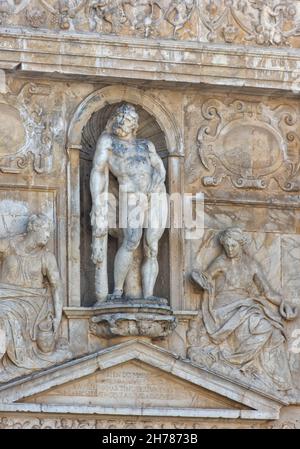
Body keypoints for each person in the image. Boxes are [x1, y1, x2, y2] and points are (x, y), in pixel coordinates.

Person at [191, 227, 297, 390]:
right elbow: (204, 278)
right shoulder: (220, 262)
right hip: (225, 308)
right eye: (227, 246)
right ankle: (231, 361)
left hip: (247, 306)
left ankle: (277, 382)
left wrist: (284, 302)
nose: (230, 250)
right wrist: (199, 279)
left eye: (233, 246)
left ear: (241, 245)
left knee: (274, 333)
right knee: (259, 324)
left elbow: (267, 292)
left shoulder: (251, 264)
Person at [90, 103, 167, 303]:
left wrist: (158, 180)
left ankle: (148, 294)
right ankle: (117, 291)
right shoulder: (108, 141)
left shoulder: (146, 144)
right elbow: (98, 171)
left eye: (125, 120)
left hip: (156, 194)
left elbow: (160, 167)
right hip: (130, 195)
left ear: (134, 124)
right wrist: (97, 202)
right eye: (118, 119)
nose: (120, 123)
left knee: (152, 246)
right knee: (131, 240)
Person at [0, 214, 67, 379]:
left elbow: (56, 286)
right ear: (34, 229)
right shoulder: (8, 245)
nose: (48, 235)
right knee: (4, 313)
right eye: (45, 230)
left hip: (33, 306)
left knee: (5, 316)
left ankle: (15, 360)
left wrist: (58, 316)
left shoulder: (47, 257)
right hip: (6, 297)